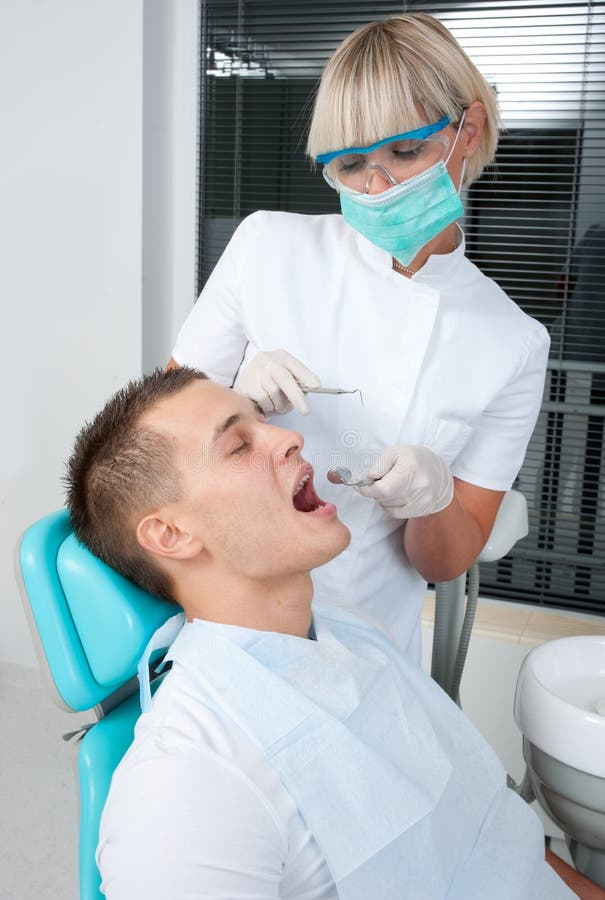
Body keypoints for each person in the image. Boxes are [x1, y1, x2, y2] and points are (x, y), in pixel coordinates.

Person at [65, 367, 592, 899]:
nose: (291, 436)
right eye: (239, 445)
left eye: (261, 421)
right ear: (171, 534)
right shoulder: (184, 785)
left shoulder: (351, 634)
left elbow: (497, 837)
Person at [166, 13, 551, 661]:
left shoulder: (510, 342)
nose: (378, 188)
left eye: (405, 151)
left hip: (370, 638)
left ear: (467, 131)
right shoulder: (268, 247)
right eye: (350, 164)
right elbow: (157, 439)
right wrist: (233, 400)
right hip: (223, 617)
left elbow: (444, 562)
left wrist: (435, 499)